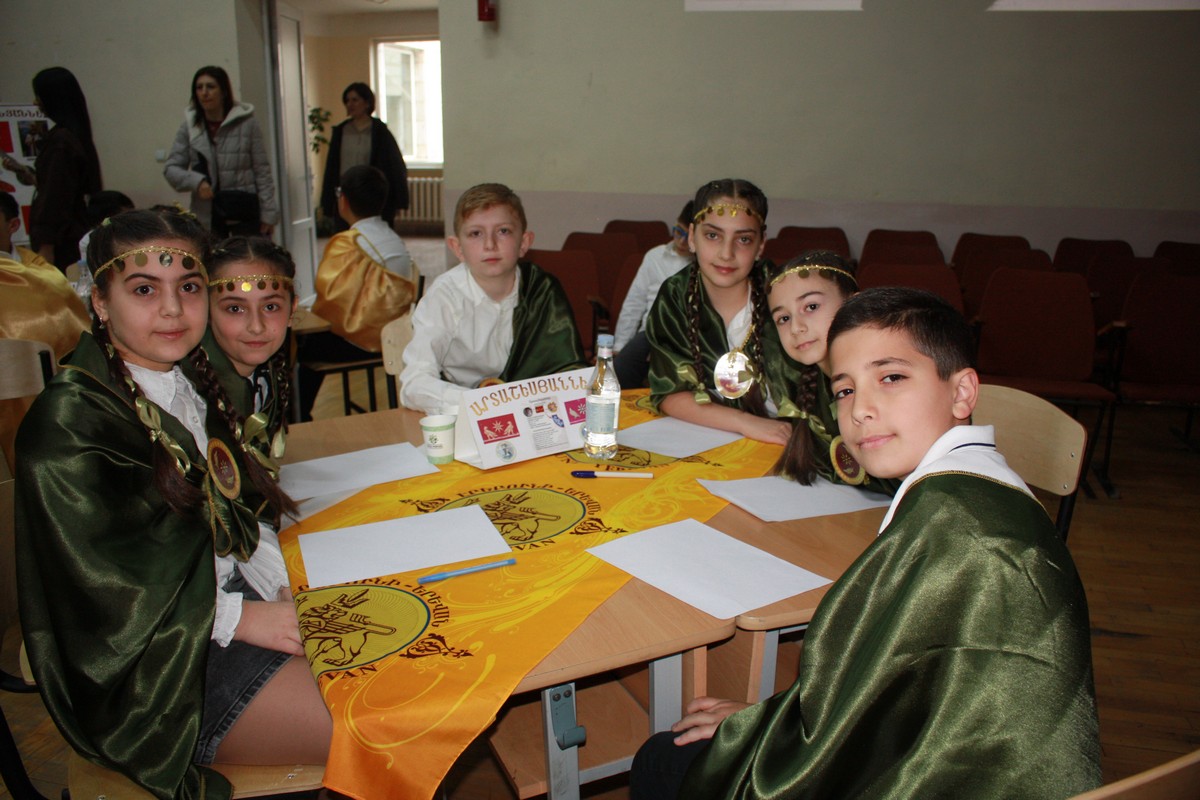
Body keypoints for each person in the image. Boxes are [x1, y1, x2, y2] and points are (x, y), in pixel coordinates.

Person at [629, 287, 1101, 800]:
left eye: (891, 378)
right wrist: (770, 718)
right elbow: (886, 690)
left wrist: (764, 731)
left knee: (661, 758)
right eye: (845, 390)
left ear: (963, 392)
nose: (860, 410)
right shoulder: (965, 487)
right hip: (931, 746)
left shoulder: (954, 527)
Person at [16, 208, 329, 800]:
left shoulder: (186, 384)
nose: (171, 310)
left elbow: (230, 513)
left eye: (187, 288)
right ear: (100, 302)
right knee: (380, 720)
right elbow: (104, 591)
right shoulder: (69, 426)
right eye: (143, 290)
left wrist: (277, 581)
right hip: (156, 674)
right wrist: (246, 618)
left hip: (215, 612)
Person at [398, 182, 587, 415]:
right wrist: (485, 404)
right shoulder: (444, 297)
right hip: (463, 411)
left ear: (524, 243)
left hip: (535, 414)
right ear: (457, 248)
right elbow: (415, 382)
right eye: (475, 234)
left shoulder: (542, 290)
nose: (490, 244)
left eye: (503, 231)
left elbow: (569, 374)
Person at [645, 178, 798, 445]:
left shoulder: (788, 296)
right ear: (692, 237)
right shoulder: (676, 296)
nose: (726, 254)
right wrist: (743, 422)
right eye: (713, 235)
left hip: (789, 439)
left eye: (744, 239)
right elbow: (669, 394)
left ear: (761, 245)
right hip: (712, 437)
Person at [767, 250, 898, 495]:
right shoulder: (804, 387)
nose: (796, 327)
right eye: (783, 318)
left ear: (853, 304)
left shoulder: (892, 379)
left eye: (811, 306)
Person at [297, 165, 418, 420]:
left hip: (363, 341)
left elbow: (330, 300)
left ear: (343, 200)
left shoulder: (348, 243)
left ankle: (297, 416)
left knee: (300, 342)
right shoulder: (392, 238)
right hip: (396, 335)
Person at [1, 67, 103, 268]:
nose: (35, 103)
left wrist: (46, 246)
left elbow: (55, 198)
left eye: (39, 96)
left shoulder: (61, 142)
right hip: (71, 236)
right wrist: (24, 173)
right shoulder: (73, 135)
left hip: (61, 243)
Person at [163, 66, 279, 237]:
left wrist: (269, 213)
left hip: (244, 211)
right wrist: (197, 182)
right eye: (199, 87)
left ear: (223, 91)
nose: (204, 93)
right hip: (208, 214)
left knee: (247, 252)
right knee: (213, 253)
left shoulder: (247, 124)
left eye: (210, 87)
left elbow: (262, 172)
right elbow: (171, 169)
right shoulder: (190, 127)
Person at [203, 236, 298, 437]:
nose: (256, 327)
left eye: (270, 307)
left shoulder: (270, 374)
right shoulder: (192, 395)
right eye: (235, 308)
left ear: (292, 310)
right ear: (206, 311)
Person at [612, 200, 693, 388]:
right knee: (620, 370)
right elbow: (634, 303)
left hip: (685, 336)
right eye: (678, 232)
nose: (681, 241)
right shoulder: (654, 256)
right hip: (650, 333)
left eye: (688, 237)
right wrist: (619, 346)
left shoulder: (703, 264)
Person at [319, 81, 409, 233]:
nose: (350, 104)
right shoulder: (341, 131)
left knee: (373, 236)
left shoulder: (379, 131)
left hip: (371, 196)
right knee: (347, 237)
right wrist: (327, 201)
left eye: (355, 100)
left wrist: (398, 200)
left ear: (367, 103)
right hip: (346, 196)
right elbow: (331, 167)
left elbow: (394, 166)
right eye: (347, 101)